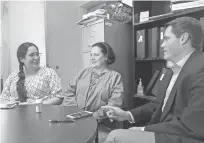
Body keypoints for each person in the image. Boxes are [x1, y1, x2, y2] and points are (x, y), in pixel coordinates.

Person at [102, 16, 204, 143]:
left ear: (183, 38)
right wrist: (127, 115)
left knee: (115, 136)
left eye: (166, 39)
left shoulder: (200, 69)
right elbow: (157, 106)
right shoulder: (171, 70)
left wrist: (144, 130)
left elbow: (191, 126)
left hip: (183, 137)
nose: (162, 45)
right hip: (166, 130)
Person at [63, 42, 123, 113]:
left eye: (96, 55)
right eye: (91, 55)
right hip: (77, 117)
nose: (92, 58)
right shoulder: (83, 73)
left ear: (106, 56)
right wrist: (75, 111)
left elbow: (114, 103)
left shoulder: (115, 77)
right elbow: (69, 92)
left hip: (100, 121)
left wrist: (95, 116)